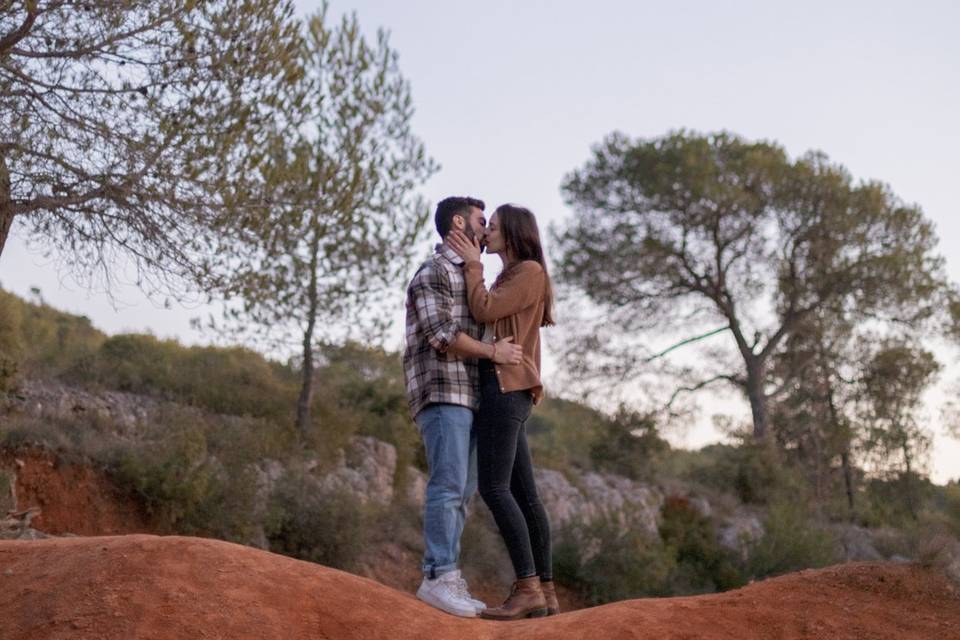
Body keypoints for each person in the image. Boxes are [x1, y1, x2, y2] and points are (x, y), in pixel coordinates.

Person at [402, 196, 524, 618]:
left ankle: (448, 577)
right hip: (442, 392)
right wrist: (494, 353)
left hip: (469, 397)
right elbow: (442, 335)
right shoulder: (432, 272)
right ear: (459, 223)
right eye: (480, 220)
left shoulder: (471, 277)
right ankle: (437, 575)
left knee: (464, 491)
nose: (487, 227)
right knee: (449, 485)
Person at [447, 203, 558, 620]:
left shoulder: (529, 271)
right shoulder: (515, 274)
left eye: (491, 227)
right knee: (526, 495)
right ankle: (544, 590)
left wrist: (472, 265)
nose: (485, 233)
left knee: (494, 489)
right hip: (511, 389)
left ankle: (528, 586)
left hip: (505, 387)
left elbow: (485, 311)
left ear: (511, 233)